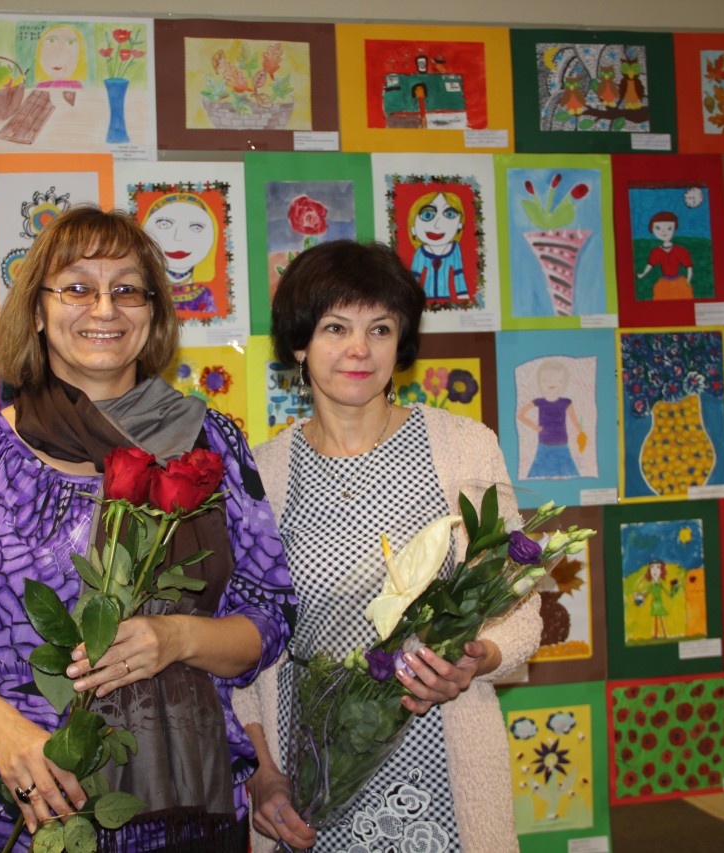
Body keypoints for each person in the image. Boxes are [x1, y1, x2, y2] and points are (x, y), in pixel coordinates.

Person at [0, 206, 296, 852]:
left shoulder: (209, 443)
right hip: (28, 816)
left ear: (152, 314)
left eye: (127, 289)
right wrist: (5, 730)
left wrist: (177, 637)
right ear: (38, 310)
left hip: (191, 812)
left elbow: (270, 616)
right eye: (77, 287)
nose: (105, 308)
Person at [235, 240, 543, 852]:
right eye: (335, 328)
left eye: (380, 328)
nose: (360, 349)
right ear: (299, 344)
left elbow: (518, 604)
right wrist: (260, 770)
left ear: (400, 343)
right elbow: (245, 643)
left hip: (443, 759)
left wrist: (478, 657)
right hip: (313, 778)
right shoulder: (261, 474)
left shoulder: (464, 447)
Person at [141, 192, 220, 317]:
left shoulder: (204, 295)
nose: (178, 237)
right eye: (164, 224)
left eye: (196, 227)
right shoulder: (142, 292)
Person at [516, 359, 586, 479]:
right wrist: (534, 427)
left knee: (563, 476)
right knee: (543, 476)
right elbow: (521, 414)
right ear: (540, 383)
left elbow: (573, 418)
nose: (551, 383)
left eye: (556, 380)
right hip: (544, 445)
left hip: (562, 444)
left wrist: (580, 431)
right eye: (545, 380)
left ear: (563, 383)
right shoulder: (539, 402)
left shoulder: (566, 402)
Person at [406, 190, 469, 302]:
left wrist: (463, 297)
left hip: (447, 298)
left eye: (449, 214)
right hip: (424, 302)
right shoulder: (421, 253)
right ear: (413, 228)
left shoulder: (455, 250)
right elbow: (414, 278)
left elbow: (458, 274)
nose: (437, 225)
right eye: (427, 215)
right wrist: (411, 301)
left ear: (460, 225)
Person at [636, 210, 694, 300]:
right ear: (652, 230)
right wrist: (642, 274)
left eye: (669, 228)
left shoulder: (680, 250)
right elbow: (650, 265)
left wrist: (688, 280)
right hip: (664, 281)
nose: (663, 232)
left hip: (679, 281)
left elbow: (689, 266)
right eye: (658, 228)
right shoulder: (656, 252)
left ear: (675, 228)